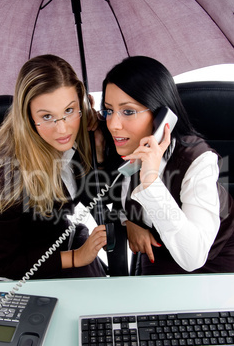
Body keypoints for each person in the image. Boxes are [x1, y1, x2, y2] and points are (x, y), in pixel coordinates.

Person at [0, 54, 107, 281]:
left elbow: (97, 194)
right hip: (9, 269)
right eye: (47, 116)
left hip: (52, 237)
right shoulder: (1, 173)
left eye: (69, 110)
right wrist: (76, 257)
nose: (62, 129)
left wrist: (98, 148)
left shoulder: (80, 133)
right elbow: (1, 262)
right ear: (27, 116)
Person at [98, 56, 234, 274]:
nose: (114, 125)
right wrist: (127, 223)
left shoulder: (198, 161)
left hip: (214, 260)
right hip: (159, 253)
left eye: (128, 111)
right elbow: (110, 199)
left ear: (162, 117)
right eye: (109, 110)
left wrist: (150, 181)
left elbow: (194, 257)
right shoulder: (120, 145)